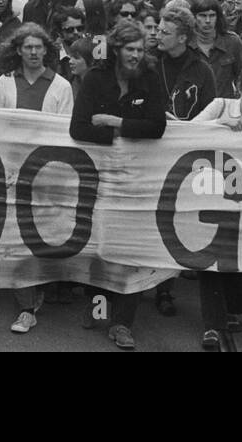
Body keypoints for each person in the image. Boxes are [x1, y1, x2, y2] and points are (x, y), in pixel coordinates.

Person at [69, 18, 168, 350]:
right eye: (129, 49)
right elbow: (79, 128)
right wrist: (120, 136)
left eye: (140, 49)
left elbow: (157, 127)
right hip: (101, 176)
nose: (136, 55)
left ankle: (123, 322)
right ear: (116, 49)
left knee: (132, 248)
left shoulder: (151, 78)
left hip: (139, 176)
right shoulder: (96, 79)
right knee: (102, 244)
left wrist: (116, 123)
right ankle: (99, 310)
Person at [190, 65, 242, 350]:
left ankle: (231, 311)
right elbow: (189, 131)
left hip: (241, 199)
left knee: (238, 257)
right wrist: (221, 125)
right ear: (239, 88)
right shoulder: (219, 106)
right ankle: (212, 324)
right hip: (208, 191)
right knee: (210, 258)